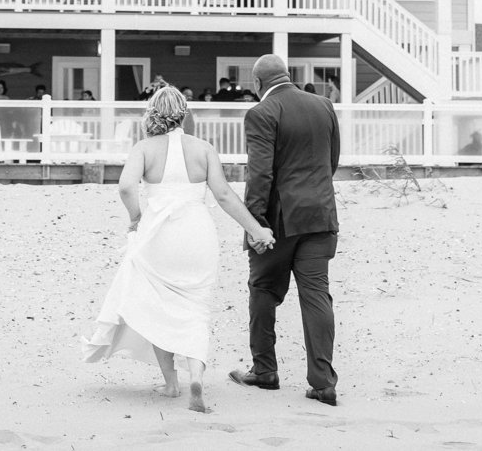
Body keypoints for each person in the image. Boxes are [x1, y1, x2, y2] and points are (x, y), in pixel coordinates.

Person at [82, 85, 275, 414]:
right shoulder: (202, 148)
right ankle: (196, 377)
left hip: (158, 236)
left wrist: (136, 218)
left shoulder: (144, 149)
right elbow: (225, 196)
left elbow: (126, 186)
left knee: (159, 307)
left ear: (152, 112)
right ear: (184, 113)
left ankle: (172, 384)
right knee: (196, 308)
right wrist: (256, 230)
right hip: (197, 235)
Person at [229, 53, 341, 406]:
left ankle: (264, 371)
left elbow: (259, 174)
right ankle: (323, 383)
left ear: (257, 83)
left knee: (262, 288)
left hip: (278, 220)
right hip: (321, 215)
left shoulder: (261, 113)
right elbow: (332, 160)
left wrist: (254, 223)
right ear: (288, 75)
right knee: (316, 295)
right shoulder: (323, 105)